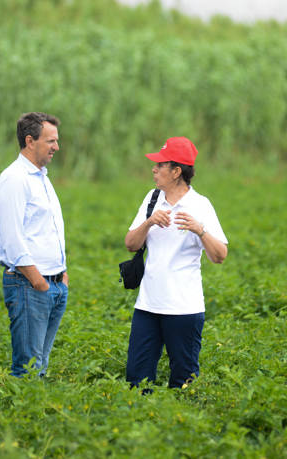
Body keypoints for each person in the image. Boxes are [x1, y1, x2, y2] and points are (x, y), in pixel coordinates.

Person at [124, 137, 228, 389]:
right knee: (137, 379)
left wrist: (200, 230)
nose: (154, 169)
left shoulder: (200, 205)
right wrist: (148, 222)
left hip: (184, 309)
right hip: (147, 306)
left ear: (176, 171)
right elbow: (130, 244)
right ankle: (140, 425)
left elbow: (219, 256)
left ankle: (181, 424)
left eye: (160, 165)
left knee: (184, 380)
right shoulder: (152, 198)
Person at [0, 112, 69, 378]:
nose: (56, 147)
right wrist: (38, 281)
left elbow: (47, 230)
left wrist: (62, 274)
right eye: (50, 141)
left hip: (54, 283)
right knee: (28, 367)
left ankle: (35, 414)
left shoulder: (41, 177)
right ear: (29, 141)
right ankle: (21, 416)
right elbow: (12, 238)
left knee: (41, 364)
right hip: (30, 284)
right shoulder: (14, 179)